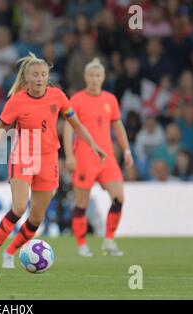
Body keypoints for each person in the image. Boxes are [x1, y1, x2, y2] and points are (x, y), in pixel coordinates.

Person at [0, 53, 106, 269]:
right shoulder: (17, 101)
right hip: (24, 156)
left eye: (43, 74)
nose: (40, 78)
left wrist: (93, 144)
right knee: (19, 208)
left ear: (48, 77)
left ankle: (10, 252)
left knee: (36, 218)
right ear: (26, 78)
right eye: (35, 74)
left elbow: (76, 124)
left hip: (49, 159)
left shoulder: (57, 96)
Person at [63, 58, 134, 257]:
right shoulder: (76, 99)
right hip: (84, 158)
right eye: (91, 75)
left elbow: (118, 128)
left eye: (98, 75)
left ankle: (109, 240)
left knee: (119, 197)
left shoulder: (110, 99)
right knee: (81, 203)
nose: (94, 79)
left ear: (103, 78)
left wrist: (127, 150)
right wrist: (69, 155)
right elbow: (69, 129)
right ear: (86, 77)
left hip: (107, 158)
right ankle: (82, 244)